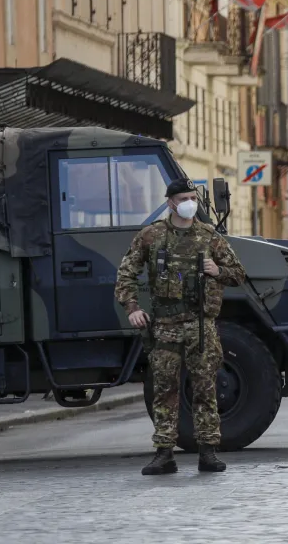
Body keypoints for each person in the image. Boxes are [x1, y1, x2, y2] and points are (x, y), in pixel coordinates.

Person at [115, 178, 247, 475]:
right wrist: (133, 309)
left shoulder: (208, 236)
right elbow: (126, 275)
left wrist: (218, 270)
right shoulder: (151, 236)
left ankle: (208, 452)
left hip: (201, 326)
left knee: (205, 388)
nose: (191, 203)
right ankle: (164, 454)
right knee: (165, 389)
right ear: (171, 202)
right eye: (185, 198)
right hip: (165, 325)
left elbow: (239, 274)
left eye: (194, 197)